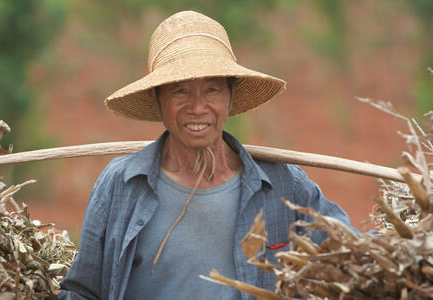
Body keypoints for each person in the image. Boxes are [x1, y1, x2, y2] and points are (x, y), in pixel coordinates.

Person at [59, 10, 355, 300]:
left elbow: (352, 252)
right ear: (156, 97)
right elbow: (83, 289)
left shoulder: (281, 184)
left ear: (230, 96)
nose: (197, 108)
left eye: (211, 90)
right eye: (180, 91)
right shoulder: (122, 184)